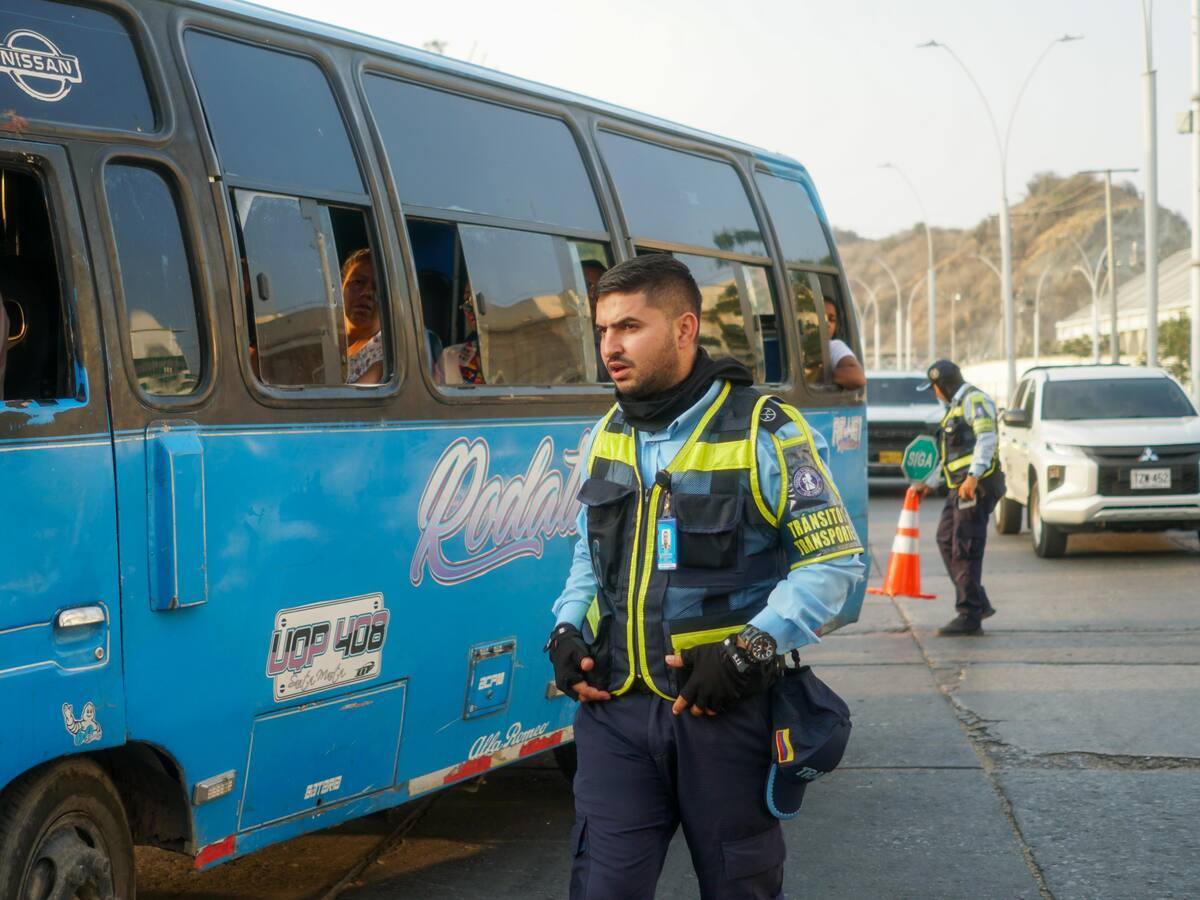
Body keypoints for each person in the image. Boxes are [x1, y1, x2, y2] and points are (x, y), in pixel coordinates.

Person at [545, 254, 864, 899]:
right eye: (603, 330)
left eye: (630, 327)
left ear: (685, 328)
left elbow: (833, 563)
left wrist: (751, 650)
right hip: (614, 712)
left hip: (722, 714)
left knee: (739, 885)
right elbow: (588, 553)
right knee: (602, 887)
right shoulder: (607, 432)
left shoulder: (767, 430)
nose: (610, 347)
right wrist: (566, 628)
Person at [914, 359, 1004, 635]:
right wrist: (930, 482)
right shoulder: (954, 408)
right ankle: (977, 601)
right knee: (945, 539)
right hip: (960, 486)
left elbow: (986, 438)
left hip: (975, 486)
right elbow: (951, 455)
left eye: (935, 387)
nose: (934, 393)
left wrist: (974, 476)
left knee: (965, 548)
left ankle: (969, 615)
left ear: (943, 384)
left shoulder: (974, 400)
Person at [342, 249, 384, 385]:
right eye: (359, 282)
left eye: (378, 287)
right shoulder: (320, 336)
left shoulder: (387, 354)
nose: (367, 292)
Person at [440, 282, 485, 385]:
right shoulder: (449, 357)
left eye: (476, 300)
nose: (469, 307)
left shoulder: (519, 357)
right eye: (466, 300)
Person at [824, 299, 866, 390]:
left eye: (832, 320)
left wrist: (819, 375)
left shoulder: (833, 346)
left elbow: (858, 378)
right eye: (821, 318)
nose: (827, 324)